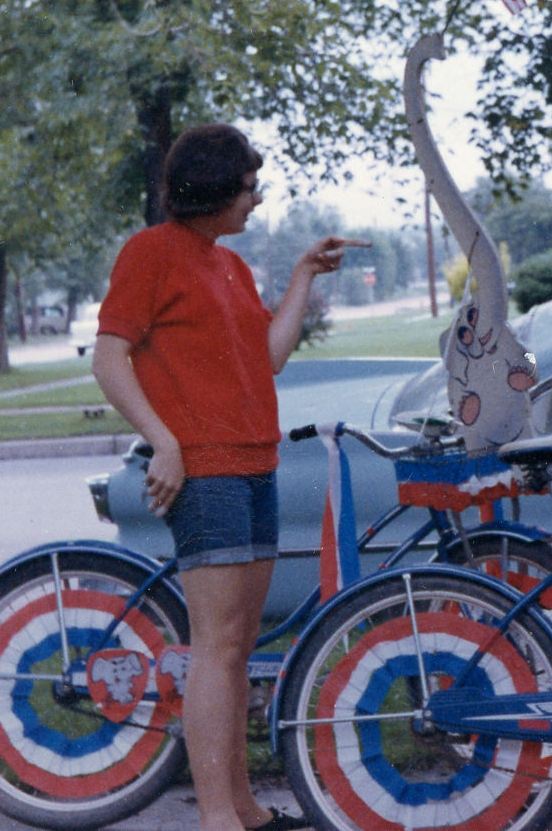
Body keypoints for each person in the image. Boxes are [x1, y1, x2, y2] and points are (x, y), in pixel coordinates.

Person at [92, 123, 367, 831]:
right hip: (205, 471)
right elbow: (109, 359)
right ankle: (218, 817)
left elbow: (268, 357)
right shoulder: (150, 253)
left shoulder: (230, 267)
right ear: (212, 189)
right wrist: (164, 443)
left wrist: (304, 275)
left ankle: (244, 808)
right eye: (248, 188)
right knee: (216, 647)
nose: (255, 198)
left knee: (238, 646)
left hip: (255, 463)